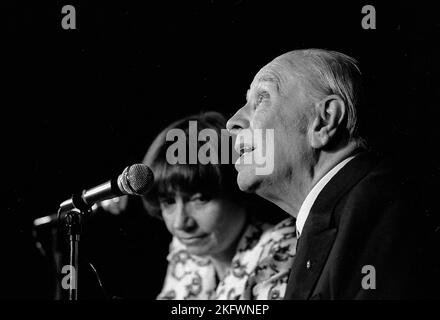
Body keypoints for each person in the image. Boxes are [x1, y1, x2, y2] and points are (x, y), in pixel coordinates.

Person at [226, 49, 439, 299]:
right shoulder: (354, 210)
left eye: (261, 98)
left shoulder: (376, 211)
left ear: (324, 121)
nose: (232, 122)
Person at [142, 111, 297, 300]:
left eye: (200, 199)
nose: (180, 224)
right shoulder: (186, 251)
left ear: (238, 190)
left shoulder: (281, 248)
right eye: (168, 202)